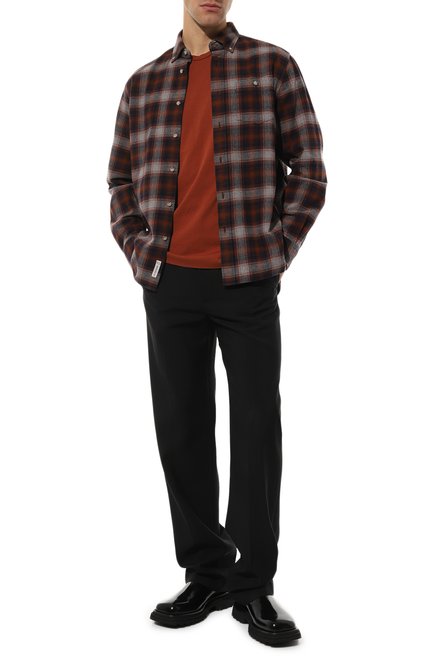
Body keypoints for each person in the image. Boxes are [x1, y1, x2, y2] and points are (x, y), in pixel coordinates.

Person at [107, 0, 327, 648]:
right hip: (169, 282)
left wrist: (275, 251)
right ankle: (205, 573)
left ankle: (253, 584)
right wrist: (141, 252)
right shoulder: (144, 83)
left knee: (256, 427)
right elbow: (119, 180)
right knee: (181, 429)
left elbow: (310, 170)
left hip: (246, 279)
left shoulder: (272, 65)